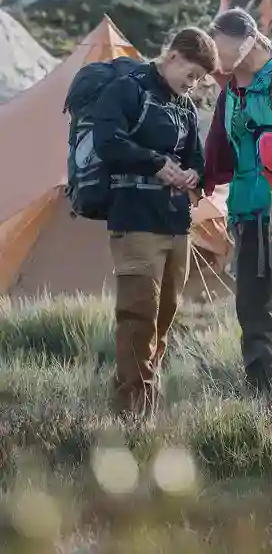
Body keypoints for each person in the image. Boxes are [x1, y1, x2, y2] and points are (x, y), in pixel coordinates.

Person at [92, 28, 218, 420]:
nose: (193, 84)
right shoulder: (127, 90)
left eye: (199, 80)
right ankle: (135, 413)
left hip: (176, 223)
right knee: (138, 315)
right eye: (192, 74)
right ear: (175, 55)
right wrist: (157, 164)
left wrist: (194, 175)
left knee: (164, 317)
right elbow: (107, 142)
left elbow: (195, 156)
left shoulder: (185, 108)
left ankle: (134, 401)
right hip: (135, 218)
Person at [203, 8, 272, 399]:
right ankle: (265, 395)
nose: (219, 60)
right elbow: (216, 149)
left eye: (224, 51)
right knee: (252, 308)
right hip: (245, 212)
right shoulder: (229, 90)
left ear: (250, 40)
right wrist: (201, 183)